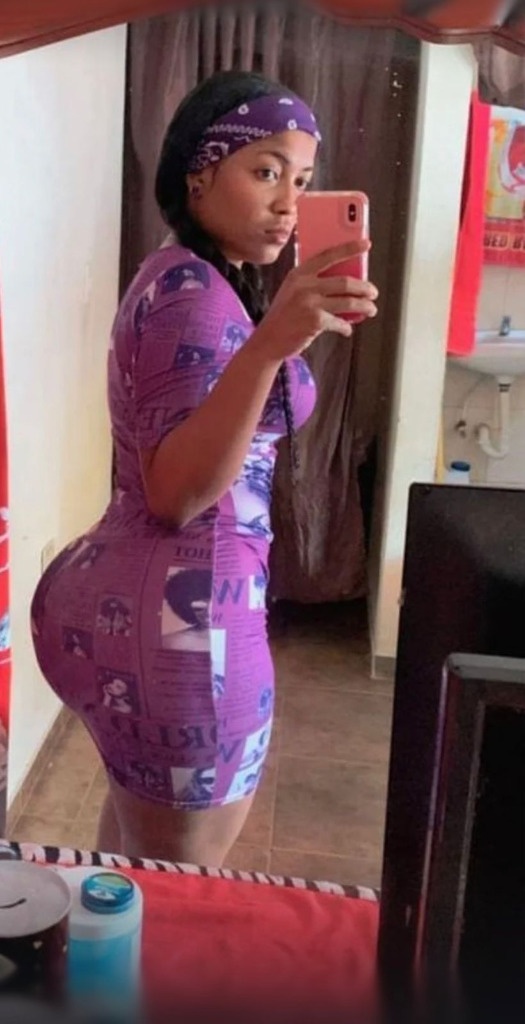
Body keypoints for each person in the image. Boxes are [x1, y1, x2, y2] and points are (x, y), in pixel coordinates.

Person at [31, 70, 378, 866]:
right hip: (184, 636)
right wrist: (271, 346)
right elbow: (176, 494)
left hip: (150, 613)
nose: (288, 203)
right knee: (180, 890)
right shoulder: (193, 295)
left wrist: (274, 340)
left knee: (133, 871)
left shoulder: (194, 278)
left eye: (302, 181)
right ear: (199, 173)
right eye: (265, 171)